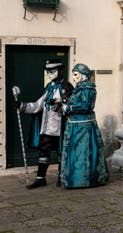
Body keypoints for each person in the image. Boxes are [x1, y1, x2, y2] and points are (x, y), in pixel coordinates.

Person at [16, 59, 74, 189]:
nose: (49, 74)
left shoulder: (67, 87)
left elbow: (72, 106)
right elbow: (38, 106)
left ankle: (62, 177)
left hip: (61, 128)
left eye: (52, 71)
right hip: (46, 128)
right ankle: (40, 179)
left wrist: (58, 105)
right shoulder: (49, 88)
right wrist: (22, 106)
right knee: (43, 153)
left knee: (62, 153)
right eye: (48, 72)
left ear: (59, 71)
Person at [60, 63, 109, 188]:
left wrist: (68, 107)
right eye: (73, 75)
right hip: (74, 126)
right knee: (75, 152)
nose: (74, 77)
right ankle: (73, 179)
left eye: (76, 75)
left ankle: (83, 180)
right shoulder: (79, 89)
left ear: (83, 75)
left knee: (83, 152)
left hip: (83, 128)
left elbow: (86, 106)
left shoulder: (88, 89)